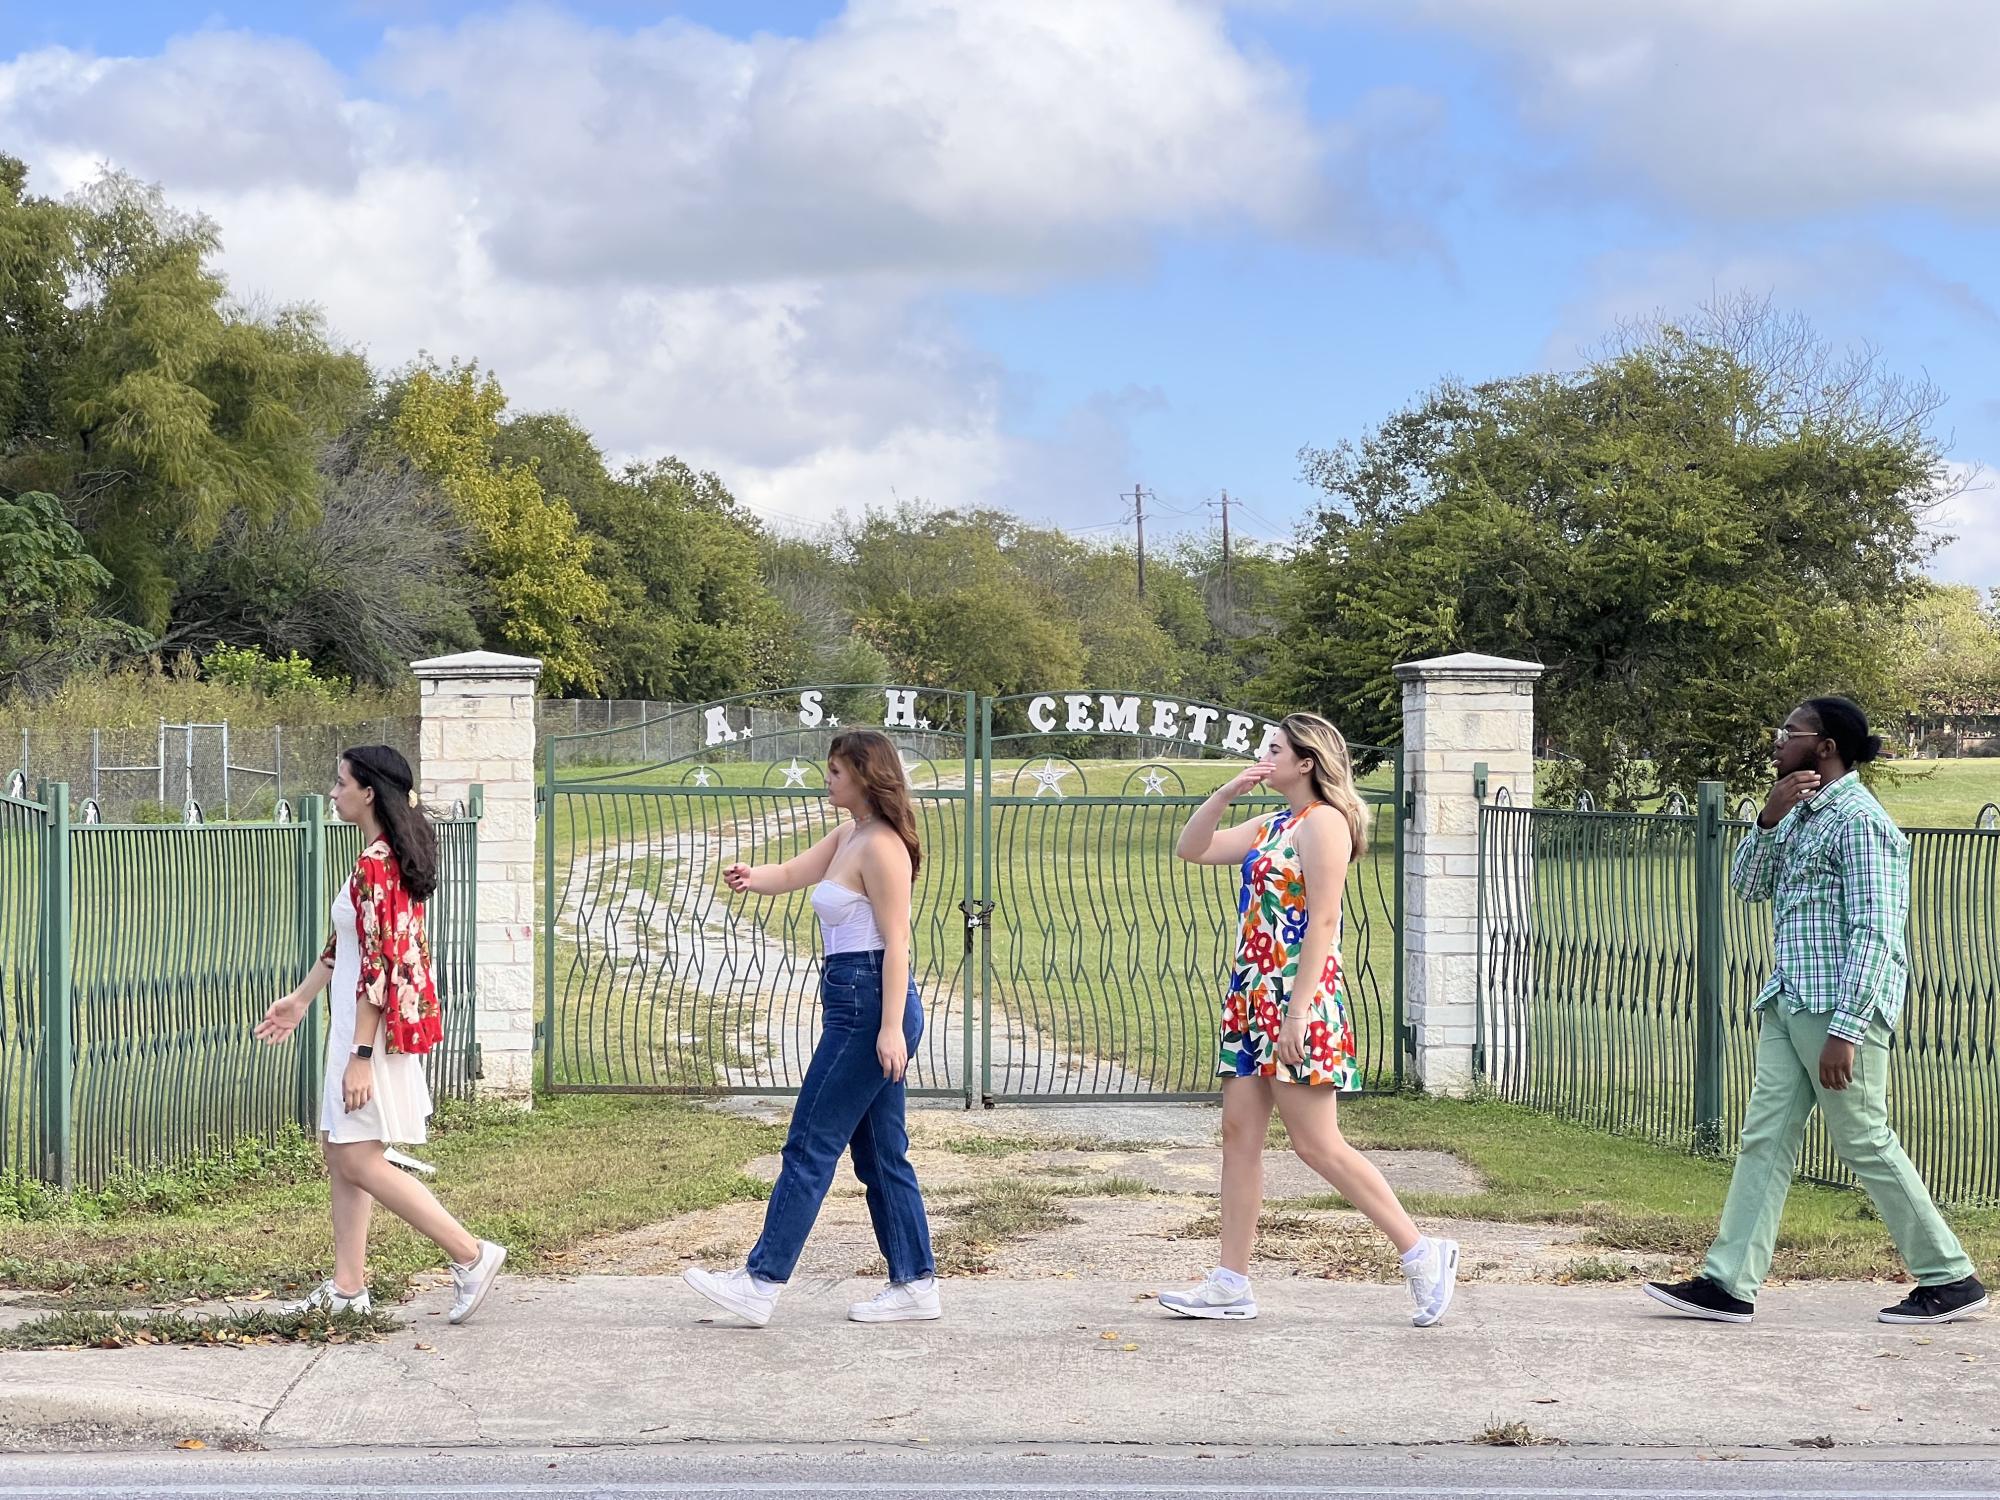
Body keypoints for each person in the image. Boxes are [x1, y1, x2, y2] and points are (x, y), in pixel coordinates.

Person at [1645, 697, 1987, 1326]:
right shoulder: (1800, 813)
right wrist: (1768, 821)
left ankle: (1950, 1276)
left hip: (1838, 1014)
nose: (1776, 743)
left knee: (1863, 1140)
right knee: (1764, 1140)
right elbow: (1749, 887)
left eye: (1788, 733)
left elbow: (1877, 934)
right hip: (1788, 999)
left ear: (1824, 746)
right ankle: (1728, 1284)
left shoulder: (1862, 823)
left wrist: (1847, 1031)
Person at [1159, 713, 1459, 1326]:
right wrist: (1225, 793)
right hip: (1253, 993)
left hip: (1299, 999)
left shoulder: (1324, 824)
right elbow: (1193, 848)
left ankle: (1422, 1252)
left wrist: (1296, 1013)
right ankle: (1230, 1282)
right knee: (1239, 1137)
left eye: (1275, 750)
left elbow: (1323, 920)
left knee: (1317, 1144)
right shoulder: (1274, 823)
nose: (1264, 758)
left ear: (1305, 762)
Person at [685, 728, 938, 1327]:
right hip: (853, 999)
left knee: (809, 1143)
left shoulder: (883, 848)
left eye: (834, 773)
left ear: (864, 774)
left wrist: (890, 1030)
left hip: (871, 1006)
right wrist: (752, 876)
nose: (827, 781)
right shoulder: (849, 834)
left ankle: (761, 1281)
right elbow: (794, 874)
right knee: (880, 1153)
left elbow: (897, 942)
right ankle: (915, 1282)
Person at [256, 747, 506, 1324]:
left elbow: (381, 967)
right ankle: (348, 1287)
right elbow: (346, 945)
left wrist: (360, 1056)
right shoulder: (376, 859)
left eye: (340, 781)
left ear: (368, 792)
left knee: (358, 1157)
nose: (333, 791)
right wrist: (299, 1000)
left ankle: (471, 1255)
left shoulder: (377, 862)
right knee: (341, 1153)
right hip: (357, 1023)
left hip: (369, 1031)